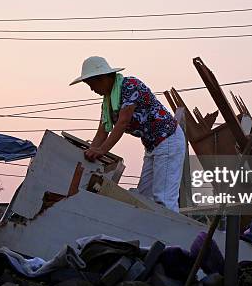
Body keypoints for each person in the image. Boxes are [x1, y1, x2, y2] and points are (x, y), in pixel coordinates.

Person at [70, 56, 186, 212]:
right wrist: (88, 153)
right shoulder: (109, 102)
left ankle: (171, 235)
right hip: (152, 145)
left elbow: (123, 122)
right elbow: (103, 131)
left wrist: (102, 150)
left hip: (168, 140)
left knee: (163, 199)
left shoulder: (130, 86)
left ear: (103, 78)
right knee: (144, 199)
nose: (92, 89)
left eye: (92, 84)